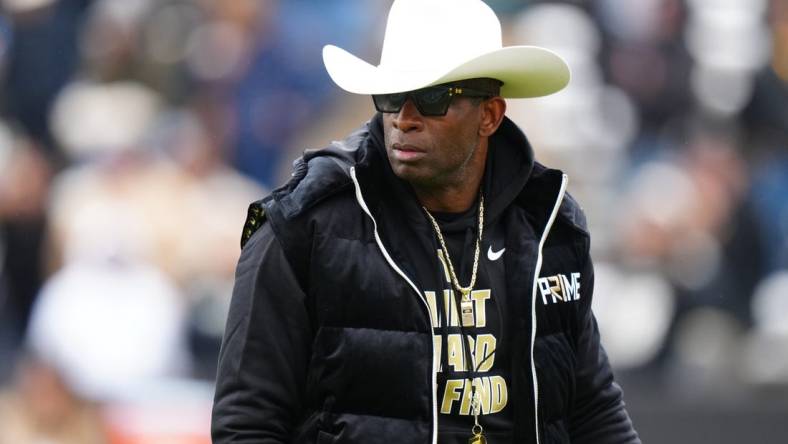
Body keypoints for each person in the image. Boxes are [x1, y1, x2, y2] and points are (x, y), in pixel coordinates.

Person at [211, 0, 641, 443]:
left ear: (490, 115)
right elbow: (248, 423)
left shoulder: (549, 223)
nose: (404, 119)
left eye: (433, 98)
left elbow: (593, 408)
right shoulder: (305, 224)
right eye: (392, 96)